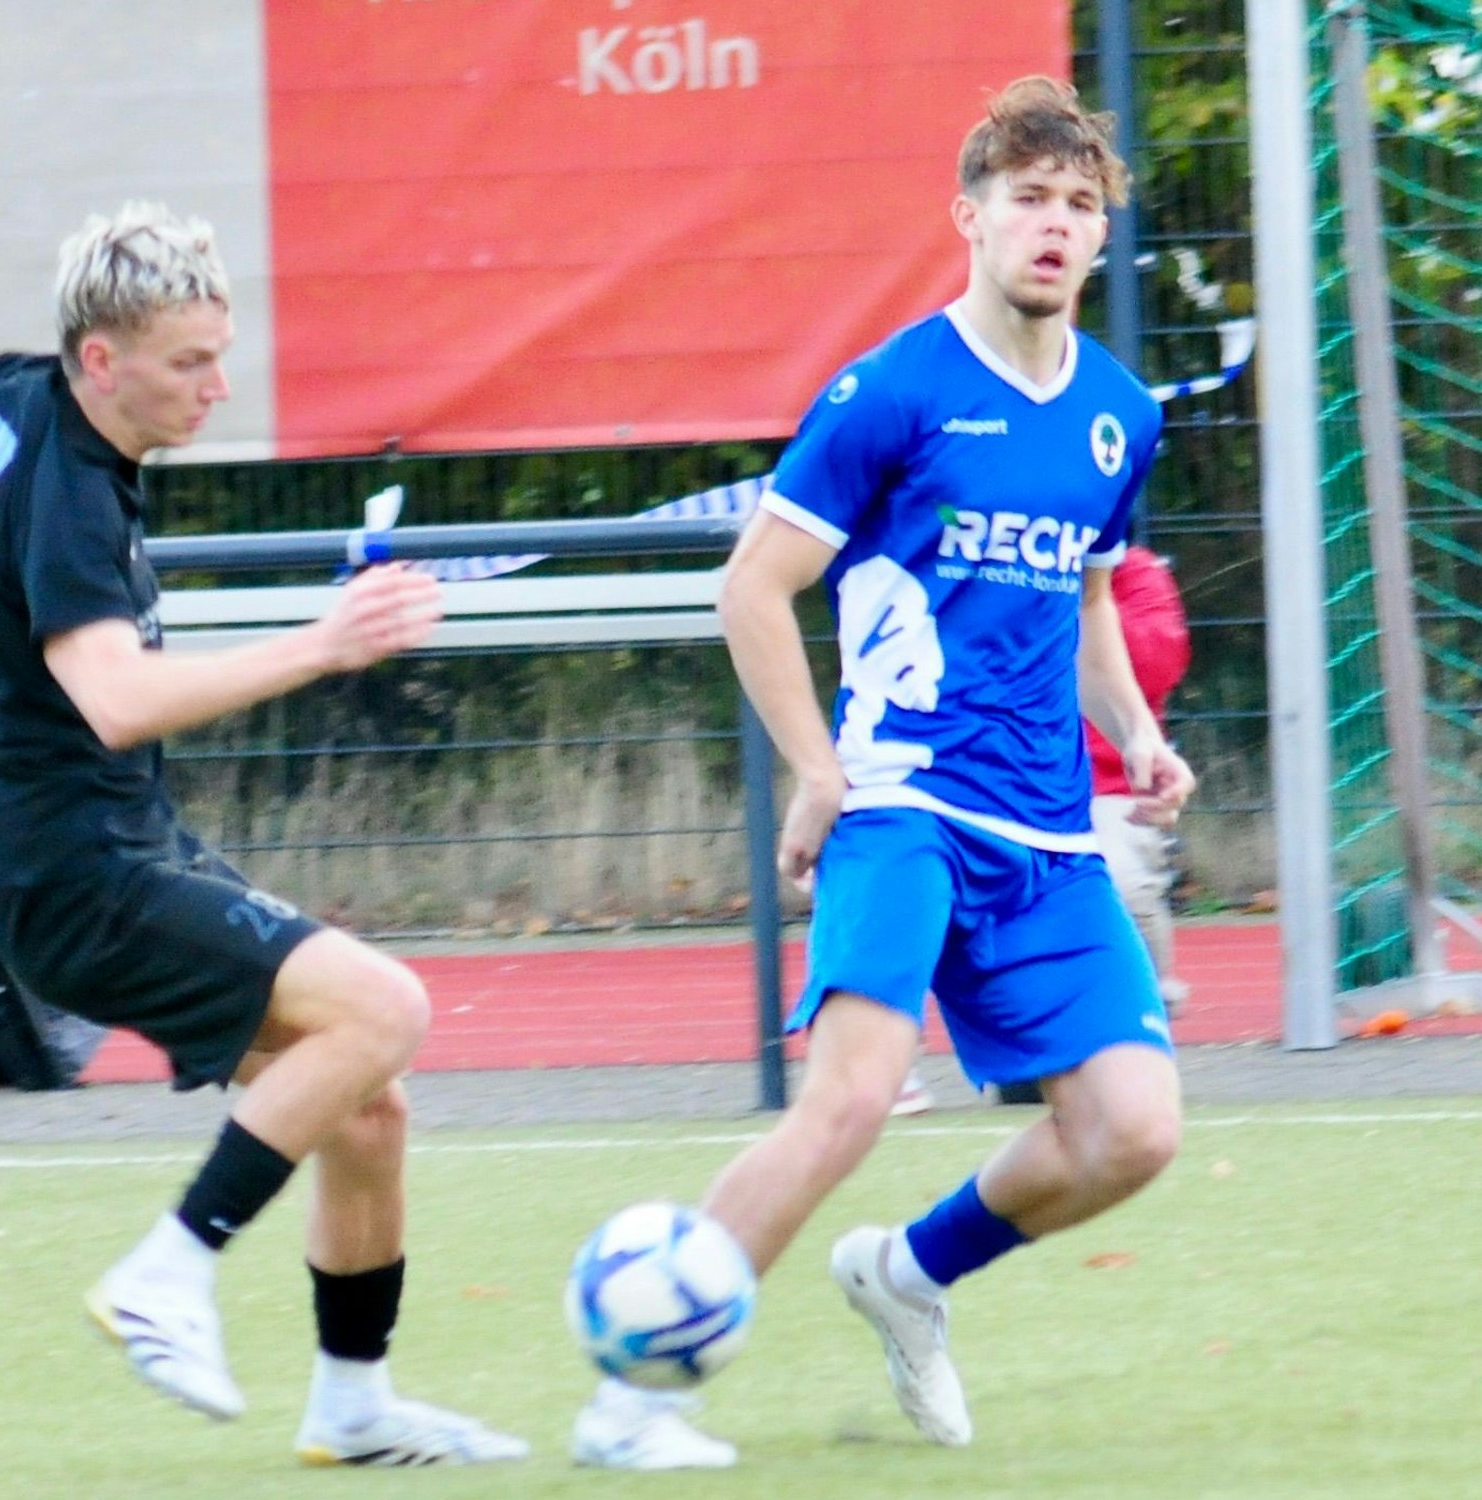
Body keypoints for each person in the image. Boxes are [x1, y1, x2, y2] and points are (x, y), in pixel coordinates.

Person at [0, 201, 528, 1467]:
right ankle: (168, 1271)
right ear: (101, 360)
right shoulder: (72, 493)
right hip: (82, 880)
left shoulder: (0, 391)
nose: (215, 387)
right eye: (189, 362)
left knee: (366, 1105)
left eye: (216, 355)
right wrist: (323, 642)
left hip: (105, 852)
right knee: (386, 1009)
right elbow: (117, 702)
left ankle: (353, 1406)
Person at [571, 77, 1196, 1468]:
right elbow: (751, 587)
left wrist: (1138, 733)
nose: (1053, 224)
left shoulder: (1117, 413)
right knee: (851, 1099)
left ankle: (908, 1275)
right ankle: (635, 1403)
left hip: (1046, 835)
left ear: (1101, 239)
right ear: (968, 217)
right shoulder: (892, 392)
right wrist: (813, 769)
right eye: (1027, 198)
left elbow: (1087, 597)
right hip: (901, 805)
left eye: (1077, 204)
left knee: (1133, 1131)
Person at [1087, 544, 1193, 1016]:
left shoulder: (1138, 574)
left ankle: (1144, 999)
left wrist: (1087, 602)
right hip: (1009, 779)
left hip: (1110, 785)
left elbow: (1157, 666)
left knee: (1122, 884)